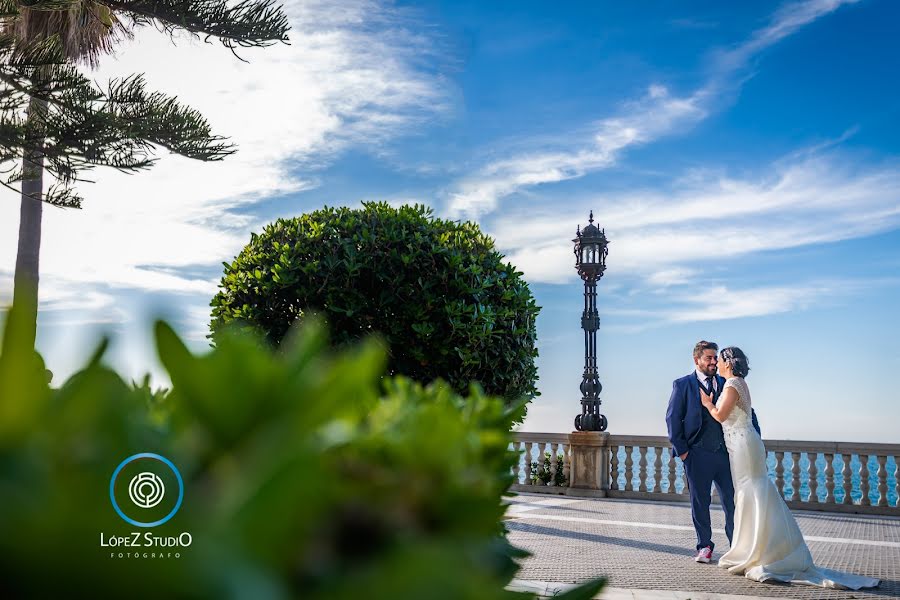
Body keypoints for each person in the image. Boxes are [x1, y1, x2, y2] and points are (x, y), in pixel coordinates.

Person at [700, 346, 879, 589]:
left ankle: (762, 552)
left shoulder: (732, 385)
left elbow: (721, 416)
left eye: (720, 360)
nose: (717, 364)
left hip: (743, 445)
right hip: (739, 445)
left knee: (751, 492)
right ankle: (752, 548)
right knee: (748, 493)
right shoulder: (736, 383)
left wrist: (708, 404)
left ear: (728, 363)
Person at [666, 340, 760, 563]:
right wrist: (683, 452)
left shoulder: (727, 382)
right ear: (696, 359)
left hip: (727, 455)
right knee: (700, 503)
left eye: (715, 357)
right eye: (708, 358)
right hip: (696, 455)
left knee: (732, 502)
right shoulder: (682, 385)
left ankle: (735, 546)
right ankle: (704, 547)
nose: (713, 362)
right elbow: (672, 419)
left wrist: (756, 442)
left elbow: (750, 415)